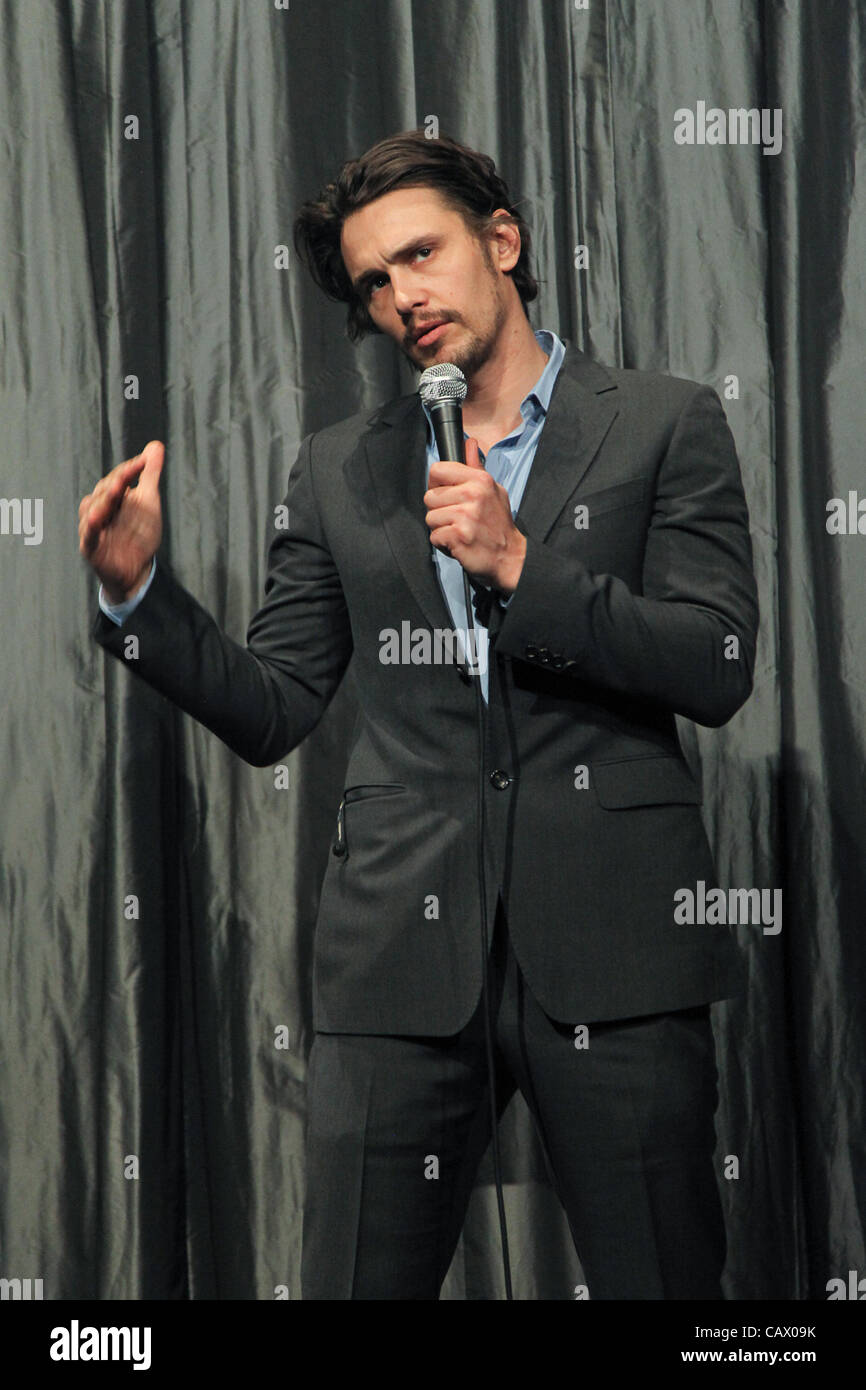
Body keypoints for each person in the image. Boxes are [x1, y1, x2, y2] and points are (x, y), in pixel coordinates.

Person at [79, 130, 759, 1300]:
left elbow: (716, 659)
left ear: (501, 241)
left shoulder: (661, 421)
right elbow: (274, 702)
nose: (402, 297)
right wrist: (139, 594)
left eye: (420, 255)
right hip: (399, 957)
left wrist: (519, 564)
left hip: (614, 948)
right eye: (374, 284)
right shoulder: (340, 467)